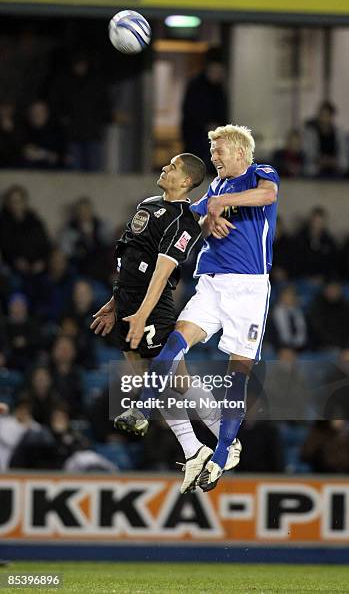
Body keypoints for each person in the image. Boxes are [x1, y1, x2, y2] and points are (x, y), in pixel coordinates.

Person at [116, 124, 279, 492]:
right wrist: (207, 219)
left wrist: (222, 204)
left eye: (219, 150)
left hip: (249, 289)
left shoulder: (261, 174)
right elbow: (190, 222)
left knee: (238, 373)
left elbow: (268, 196)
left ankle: (222, 455)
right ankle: (143, 408)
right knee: (175, 342)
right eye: (212, 150)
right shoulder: (214, 190)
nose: (214, 157)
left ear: (239, 152)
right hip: (211, 283)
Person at [91, 153, 241, 488]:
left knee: (160, 381)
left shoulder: (183, 220)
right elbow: (130, 256)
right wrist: (114, 302)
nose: (164, 168)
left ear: (186, 181)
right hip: (129, 301)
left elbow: (163, 271)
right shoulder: (148, 203)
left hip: (150, 305)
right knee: (171, 382)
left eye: (172, 167)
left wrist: (142, 313)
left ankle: (219, 442)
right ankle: (204, 446)